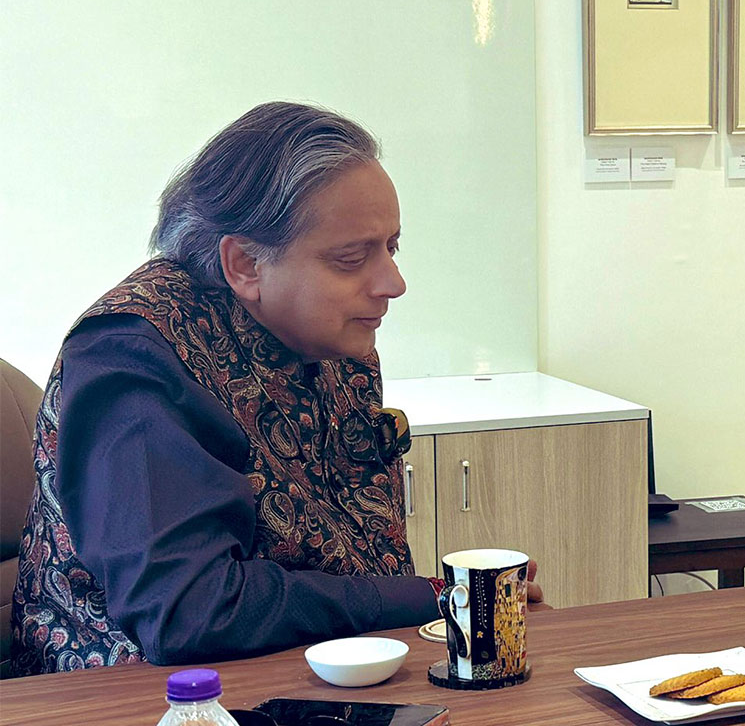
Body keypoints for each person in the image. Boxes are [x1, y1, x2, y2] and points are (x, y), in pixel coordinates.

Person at [10, 102, 540, 673]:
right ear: (244, 265)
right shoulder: (133, 356)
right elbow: (191, 613)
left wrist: (454, 598)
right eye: (350, 258)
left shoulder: (330, 335)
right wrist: (432, 594)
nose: (393, 282)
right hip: (136, 721)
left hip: (321, 674)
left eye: (391, 247)